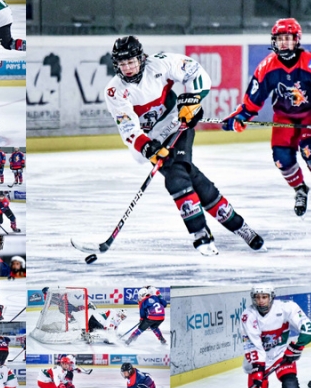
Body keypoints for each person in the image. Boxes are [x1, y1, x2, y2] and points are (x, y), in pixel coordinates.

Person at [104, 36, 264, 255]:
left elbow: (195, 72)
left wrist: (192, 99)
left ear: (141, 58)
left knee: (176, 176)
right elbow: (128, 127)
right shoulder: (114, 90)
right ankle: (240, 226)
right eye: (122, 63)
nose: (128, 68)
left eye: (131, 61)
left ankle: (200, 234)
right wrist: (147, 147)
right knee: (191, 176)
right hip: (150, 140)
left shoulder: (160, 63)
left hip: (176, 124)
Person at [223, 18, 311, 216]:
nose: (283, 43)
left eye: (287, 39)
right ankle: (300, 189)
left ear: (296, 40)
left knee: (310, 150)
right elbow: (254, 97)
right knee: (281, 158)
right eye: (279, 39)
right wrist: (242, 114)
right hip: (284, 117)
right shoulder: (267, 66)